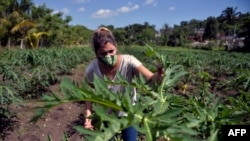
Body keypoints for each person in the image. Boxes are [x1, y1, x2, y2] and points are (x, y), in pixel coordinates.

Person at [84, 27, 164, 141]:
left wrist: (159, 75)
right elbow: (89, 95)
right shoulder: (92, 69)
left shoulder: (129, 61)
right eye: (103, 53)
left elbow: (150, 79)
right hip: (106, 115)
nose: (108, 56)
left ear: (116, 47)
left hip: (129, 113)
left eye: (111, 51)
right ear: (96, 53)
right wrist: (88, 115)